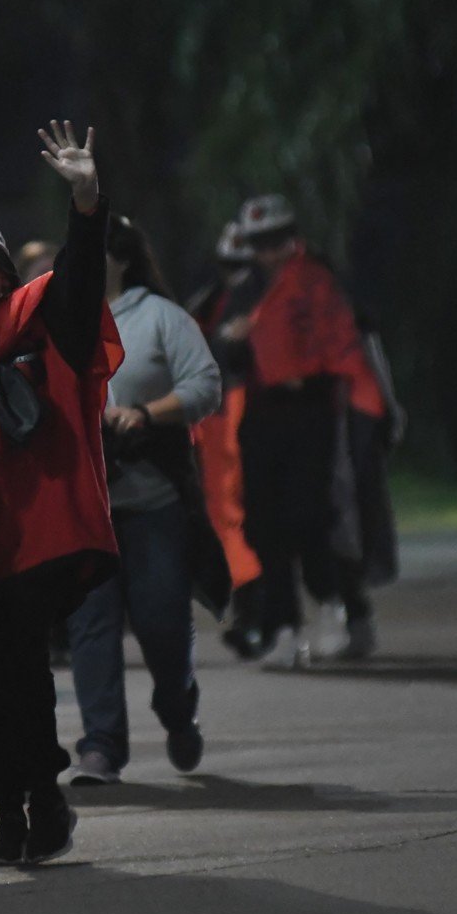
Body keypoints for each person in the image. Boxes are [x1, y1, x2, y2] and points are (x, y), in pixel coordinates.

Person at [0, 120, 121, 867]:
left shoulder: (43, 318)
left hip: (33, 536)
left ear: (1, 274)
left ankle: (37, 799)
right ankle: (14, 803)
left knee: (19, 674)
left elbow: (77, 274)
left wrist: (84, 201)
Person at [66, 216, 222, 785]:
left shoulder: (159, 318)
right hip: (87, 505)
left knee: (161, 620)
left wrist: (145, 414)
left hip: (152, 502)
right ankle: (101, 745)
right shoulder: (62, 319)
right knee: (91, 625)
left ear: (122, 257)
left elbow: (206, 384)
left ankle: (178, 707)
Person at [215, 195, 385, 669]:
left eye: (276, 240)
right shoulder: (246, 288)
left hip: (311, 412)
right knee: (264, 523)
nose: (269, 251)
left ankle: (340, 607)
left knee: (312, 517)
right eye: (259, 243)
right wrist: (234, 340)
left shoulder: (316, 281)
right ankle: (284, 628)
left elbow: (343, 343)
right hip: (262, 415)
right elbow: (226, 355)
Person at [188, 223, 267, 657]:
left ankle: (269, 616)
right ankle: (251, 616)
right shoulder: (208, 305)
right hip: (218, 426)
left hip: (263, 420)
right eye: (229, 265)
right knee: (230, 523)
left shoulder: (270, 302)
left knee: (263, 520)